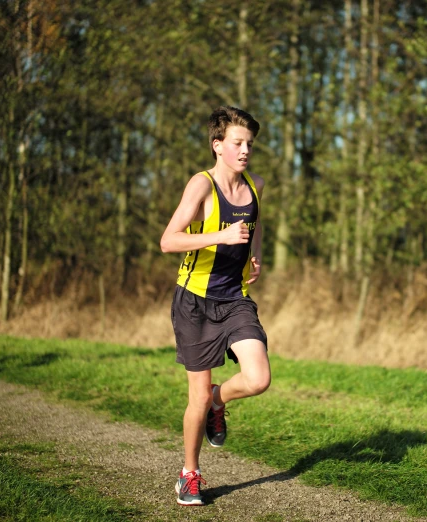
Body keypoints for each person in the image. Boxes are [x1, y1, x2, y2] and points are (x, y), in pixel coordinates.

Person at [160, 106, 271, 506]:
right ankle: (189, 474)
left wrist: (255, 256)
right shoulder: (201, 185)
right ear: (217, 145)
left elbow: (254, 229)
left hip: (235, 300)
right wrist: (219, 237)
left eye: (250, 144)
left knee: (258, 378)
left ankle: (220, 401)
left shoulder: (256, 185)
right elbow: (168, 241)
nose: (245, 151)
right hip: (195, 303)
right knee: (197, 397)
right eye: (237, 143)